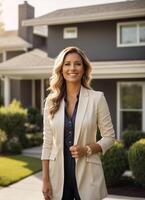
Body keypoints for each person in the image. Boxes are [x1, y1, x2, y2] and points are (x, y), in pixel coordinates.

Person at [41, 46, 115, 200]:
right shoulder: (51, 101)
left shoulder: (97, 98)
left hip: (89, 177)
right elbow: (47, 143)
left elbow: (109, 137)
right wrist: (45, 180)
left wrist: (87, 149)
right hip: (58, 179)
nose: (72, 68)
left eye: (77, 64)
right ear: (61, 69)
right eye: (67, 64)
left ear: (84, 69)